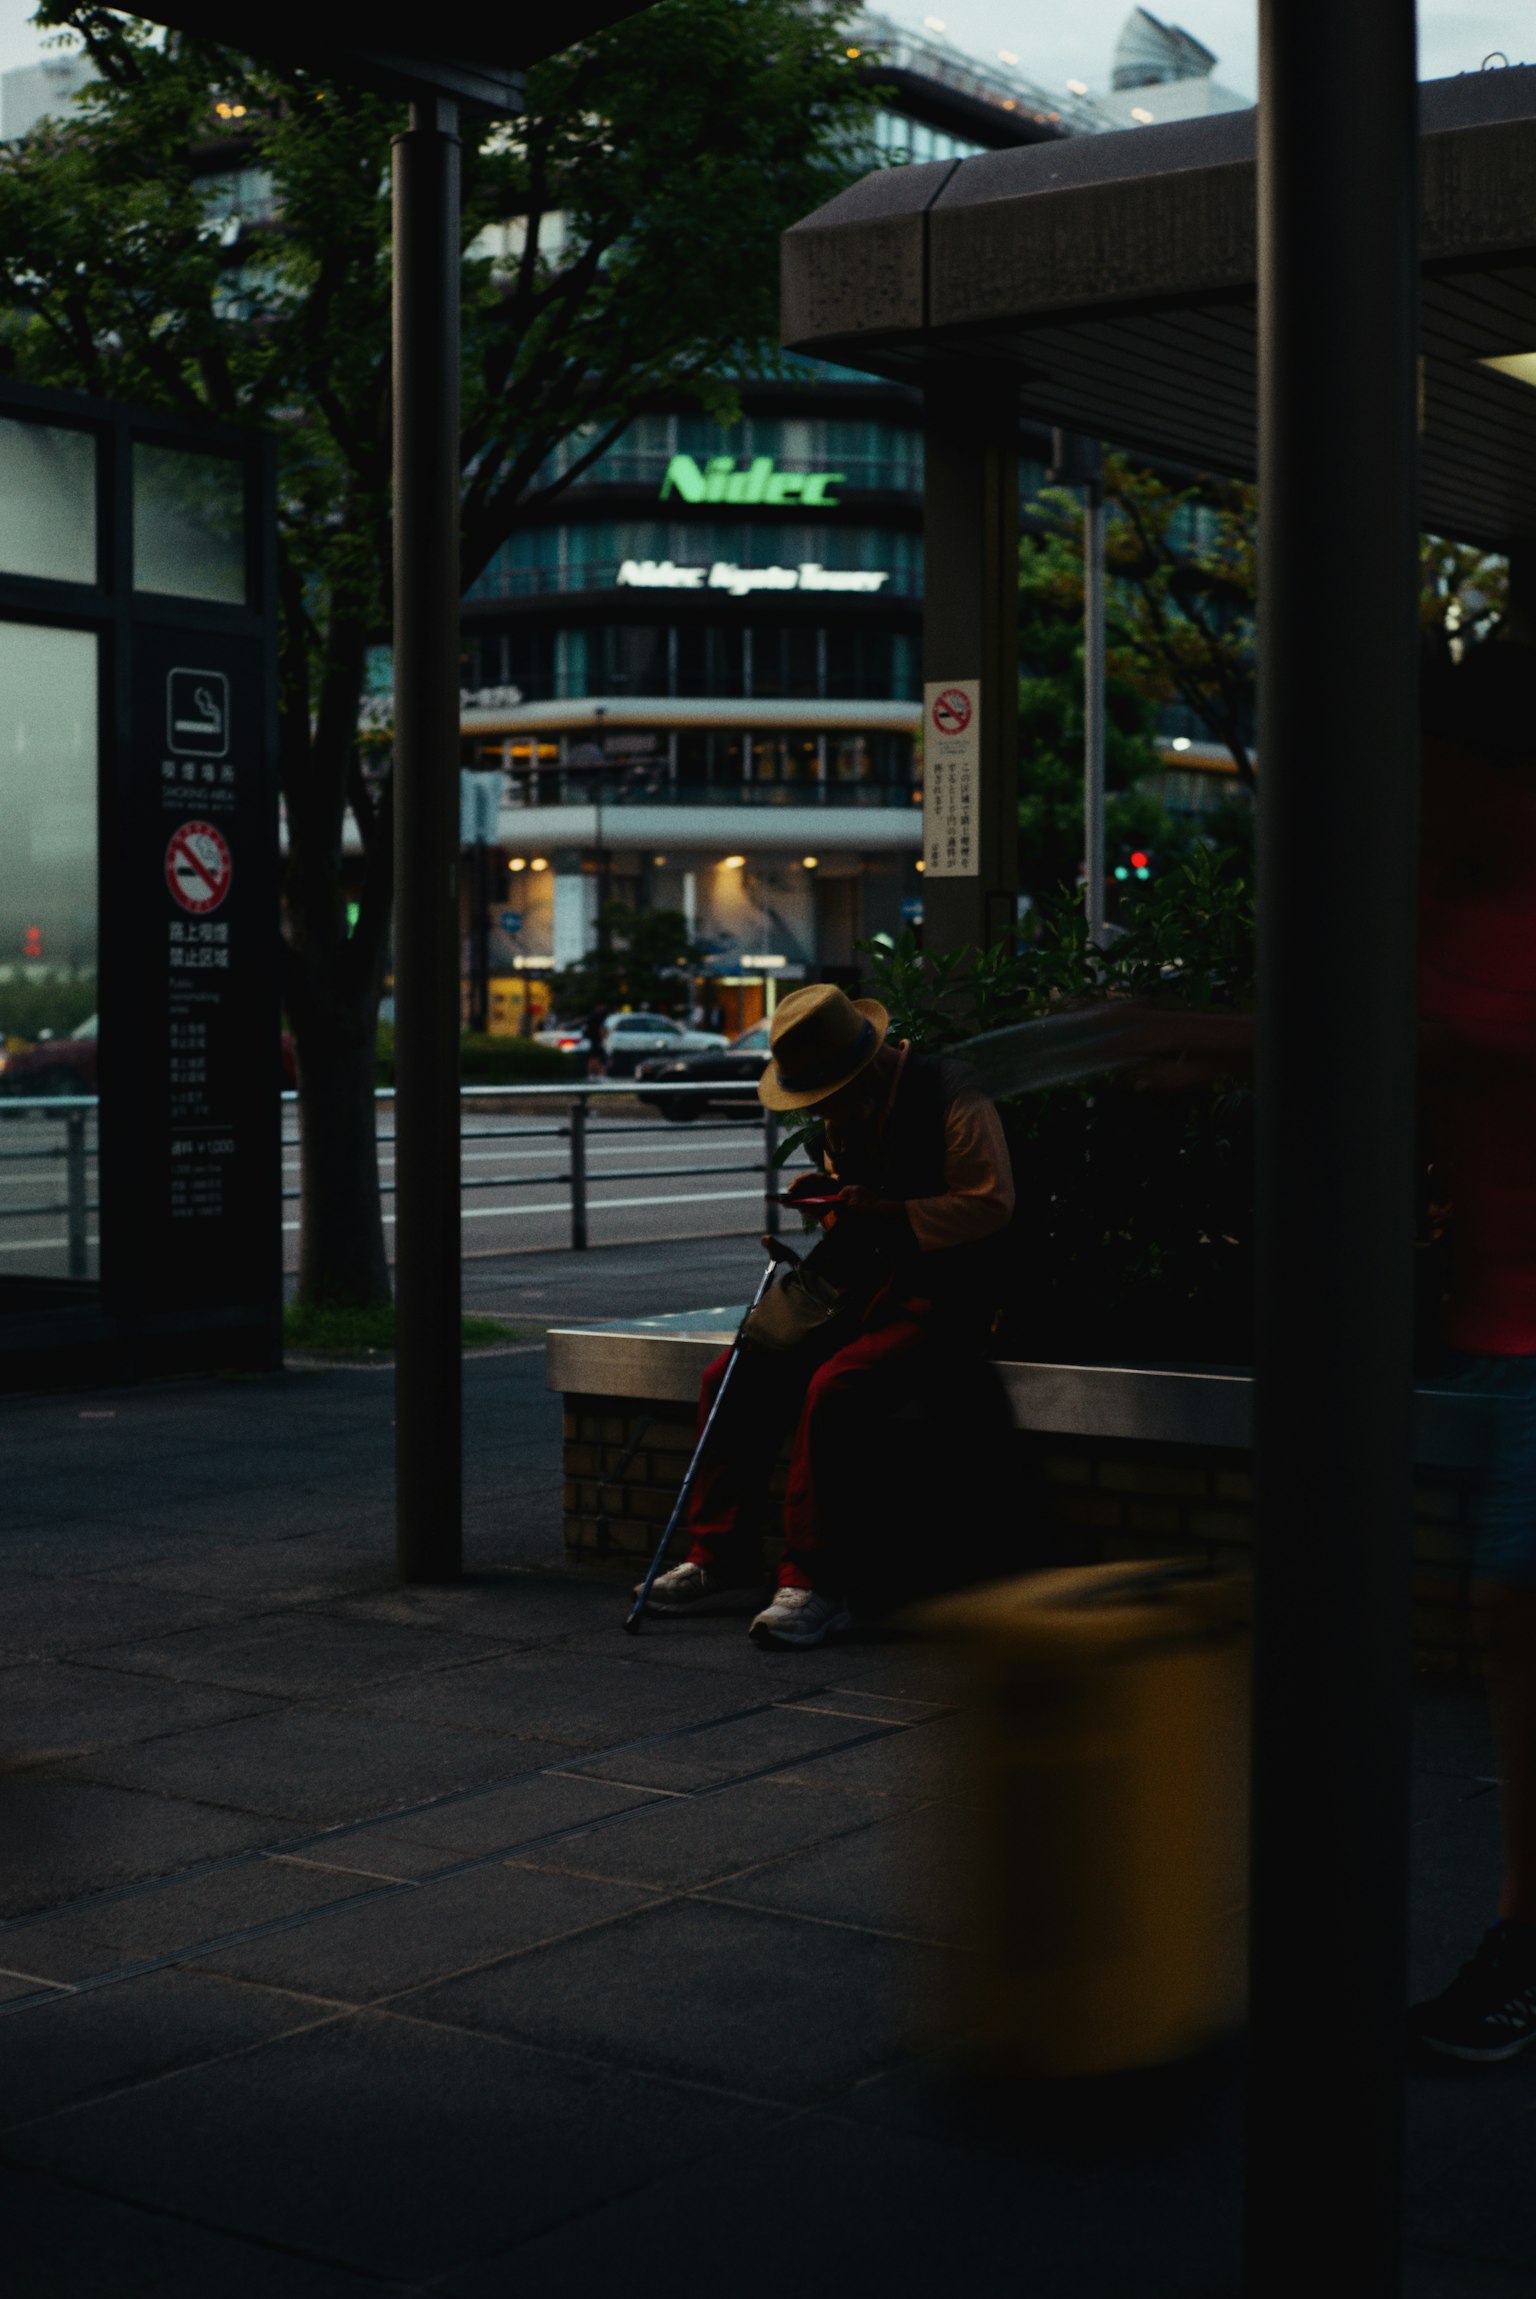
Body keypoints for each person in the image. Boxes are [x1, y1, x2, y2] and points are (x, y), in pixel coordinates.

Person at [636, 980, 1015, 1648]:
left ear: (861, 1070)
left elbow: (989, 1202)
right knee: (732, 1373)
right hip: (858, 1288)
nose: (825, 1111)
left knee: (836, 1387)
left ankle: (817, 1581)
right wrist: (834, 1203)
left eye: (829, 1095)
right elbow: (859, 1207)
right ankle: (719, 1554)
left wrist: (884, 1213)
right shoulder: (851, 1110)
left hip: (944, 1298)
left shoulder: (955, 1093)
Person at [583, 1001, 610, 1079]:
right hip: (597, 1039)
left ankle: (593, 1074)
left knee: (594, 1057)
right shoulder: (598, 1015)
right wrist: (603, 1036)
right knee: (598, 1057)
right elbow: (600, 1028)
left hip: (593, 1038)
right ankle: (600, 1074)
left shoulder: (592, 1014)